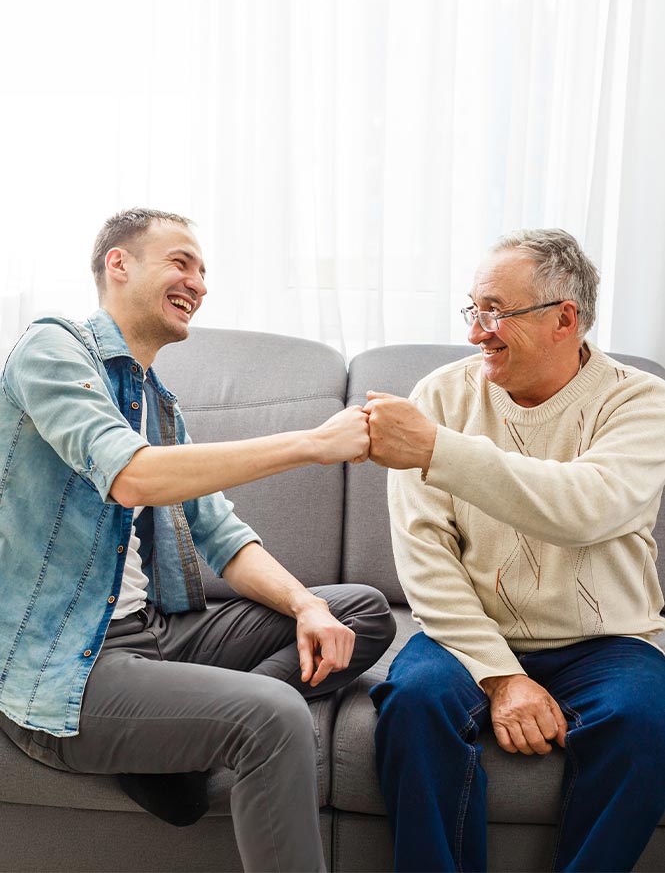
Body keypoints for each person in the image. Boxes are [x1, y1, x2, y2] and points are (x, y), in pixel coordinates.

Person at [0, 207, 395, 873]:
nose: (199, 284)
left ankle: (177, 753)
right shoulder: (51, 350)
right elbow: (131, 476)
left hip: (151, 634)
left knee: (360, 612)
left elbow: (220, 534)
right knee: (272, 715)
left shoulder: (157, 404)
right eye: (180, 262)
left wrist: (307, 606)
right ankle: (204, 733)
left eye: (204, 271)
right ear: (118, 264)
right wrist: (311, 443)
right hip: (70, 665)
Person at [364, 228, 665, 872]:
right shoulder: (439, 397)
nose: (477, 332)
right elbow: (424, 555)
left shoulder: (640, 402)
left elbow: (586, 507)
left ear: (565, 319)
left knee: (648, 725)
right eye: (473, 309)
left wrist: (438, 450)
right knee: (414, 706)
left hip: (608, 640)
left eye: (497, 312)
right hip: (470, 630)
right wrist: (502, 676)